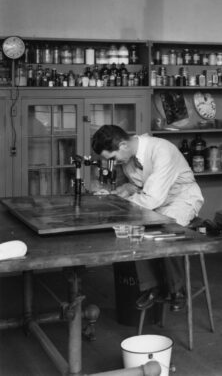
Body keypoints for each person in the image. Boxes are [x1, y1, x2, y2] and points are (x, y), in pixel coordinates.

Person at [91, 125, 204, 311]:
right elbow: (137, 186)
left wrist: (118, 206)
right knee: (135, 230)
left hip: (181, 199)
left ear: (123, 145)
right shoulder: (128, 158)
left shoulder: (161, 150)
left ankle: (177, 290)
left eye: (113, 158)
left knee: (164, 229)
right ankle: (153, 286)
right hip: (157, 201)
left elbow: (151, 198)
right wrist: (117, 193)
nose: (114, 163)